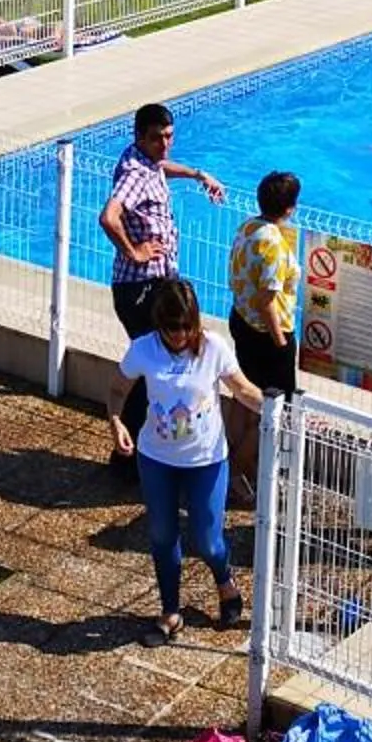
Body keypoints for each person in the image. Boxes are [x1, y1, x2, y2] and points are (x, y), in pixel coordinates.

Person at [104, 276, 264, 644]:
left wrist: (278, 408)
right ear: (159, 324)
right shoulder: (143, 349)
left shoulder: (214, 348)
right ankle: (171, 611)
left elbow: (242, 389)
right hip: (156, 458)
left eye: (186, 326)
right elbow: (117, 389)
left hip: (206, 459)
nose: (178, 335)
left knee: (208, 540)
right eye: (170, 328)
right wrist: (115, 422)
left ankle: (225, 582)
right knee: (162, 535)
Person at [99, 102, 224, 466]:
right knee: (146, 369)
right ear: (140, 137)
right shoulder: (134, 174)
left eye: (169, 137)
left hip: (152, 285)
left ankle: (136, 454)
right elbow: (108, 217)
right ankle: (128, 458)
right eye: (157, 139)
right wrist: (134, 251)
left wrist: (199, 175)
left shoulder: (143, 159)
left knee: (149, 366)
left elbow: (160, 169)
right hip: (141, 290)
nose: (165, 145)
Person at [227, 172, 303, 495]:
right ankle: (243, 464)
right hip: (267, 334)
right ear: (289, 208)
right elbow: (268, 301)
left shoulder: (248, 227)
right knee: (274, 408)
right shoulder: (272, 242)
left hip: (241, 321)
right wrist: (281, 343)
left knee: (243, 397)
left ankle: (229, 465)